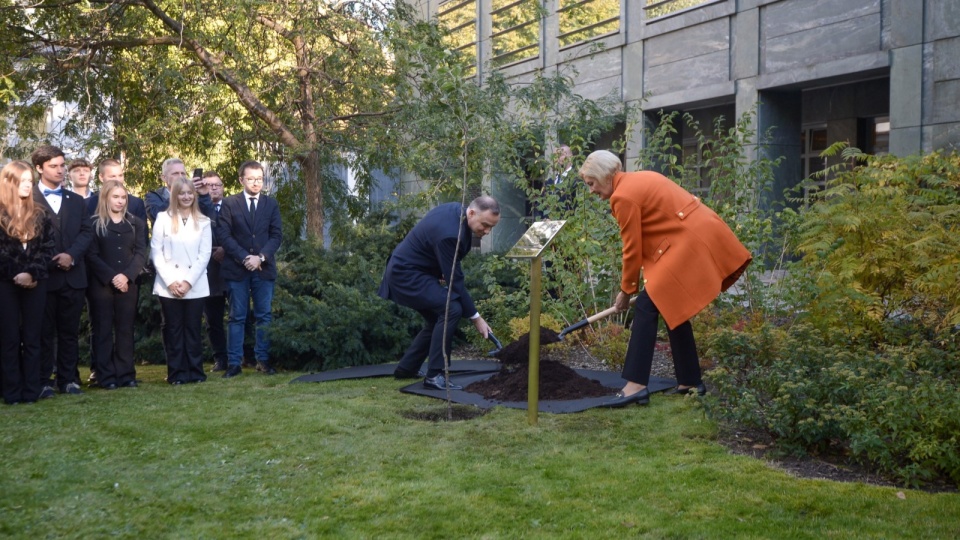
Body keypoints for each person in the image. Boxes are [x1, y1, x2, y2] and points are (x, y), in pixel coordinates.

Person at [578, 150, 752, 408]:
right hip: (697, 235)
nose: (591, 191)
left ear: (604, 176)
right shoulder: (641, 177)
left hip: (688, 242)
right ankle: (690, 381)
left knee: (648, 305)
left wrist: (626, 290)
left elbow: (632, 249)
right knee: (670, 304)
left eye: (591, 184)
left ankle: (636, 385)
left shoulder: (623, 196)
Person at [377, 196, 499, 391]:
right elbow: (455, 281)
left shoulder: (455, 210)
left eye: (491, 227)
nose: (486, 231)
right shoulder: (451, 233)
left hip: (415, 271)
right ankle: (435, 376)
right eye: (485, 225)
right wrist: (476, 318)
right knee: (451, 308)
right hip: (405, 275)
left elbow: (436, 253)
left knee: (438, 317)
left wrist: (440, 271)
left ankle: (407, 368)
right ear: (472, 212)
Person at [32, 144, 94, 398]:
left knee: (69, 333)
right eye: (53, 166)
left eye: (61, 166)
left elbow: (86, 232)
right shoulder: (28, 198)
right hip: (43, 277)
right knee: (43, 332)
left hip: (73, 276)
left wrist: (72, 255)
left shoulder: (76, 200)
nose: (60, 171)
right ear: (39, 168)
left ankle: (68, 380)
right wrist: (49, 259)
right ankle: (44, 380)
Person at [217, 161, 283, 378]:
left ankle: (262, 360)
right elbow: (224, 236)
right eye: (251, 178)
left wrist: (261, 257)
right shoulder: (229, 203)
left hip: (263, 270)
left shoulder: (270, 204)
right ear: (241, 180)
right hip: (237, 269)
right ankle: (234, 363)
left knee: (264, 316)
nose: (256, 183)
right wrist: (245, 257)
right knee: (237, 317)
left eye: (259, 179)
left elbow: (276, 236)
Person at [0, 161, 55, 404]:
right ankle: (11, 392)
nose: (27, 186)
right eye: (22, 181)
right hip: (5, 283)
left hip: (36, 284)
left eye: (29, 182)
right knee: (9, 338)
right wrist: (17, 274)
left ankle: (31, 391)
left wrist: (31, 273)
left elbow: (47, 250)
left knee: (34, 338)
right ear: (10, 183)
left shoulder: (40, 214)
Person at [85, 180, 148, 390]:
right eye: (116, 197)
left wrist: (127, 276)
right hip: (101, 283)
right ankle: (106, 375)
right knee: (102, 329)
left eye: (123, 197)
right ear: (106, 198)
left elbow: (141, 252)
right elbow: (91, 255)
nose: (120, 201)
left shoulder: (136, 223)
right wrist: (112, 277)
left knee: (125, 329)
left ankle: (126, 373)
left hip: (128, 283)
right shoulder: (94, 223)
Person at [150, 178, 212, 385]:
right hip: (169, 285)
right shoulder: (162, 218)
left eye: (189, 193)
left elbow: (204, 255)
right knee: (174, 330)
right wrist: (171, 281)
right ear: (174, 195)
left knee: (193, 329)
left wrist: (187, 282)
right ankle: (176, 373)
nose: (186, 197)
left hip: (195, 284)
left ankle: (195, 372)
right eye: (181, 193)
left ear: (194, 195)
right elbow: (156, 252)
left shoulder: (204, 221)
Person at [200, 171, 228, 372]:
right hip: (208, 273)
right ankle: (220, 358)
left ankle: (247, 356)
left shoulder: (234, 206)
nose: (214, 188)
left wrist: (226, 249)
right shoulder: (196, 208)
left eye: (217, 184)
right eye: (209, 185)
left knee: (240, 316)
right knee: (213, 320)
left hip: (232, 269)